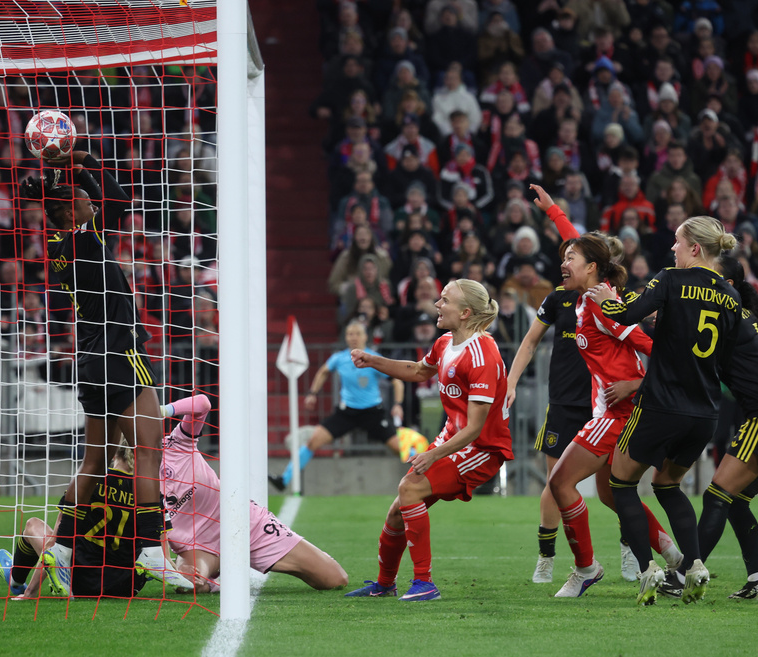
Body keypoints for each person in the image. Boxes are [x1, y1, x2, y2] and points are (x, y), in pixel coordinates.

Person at [18, 148, 190, 595]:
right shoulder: (84, 239)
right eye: (83, 201)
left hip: (91, 358)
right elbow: (117, 202)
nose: (92, 205)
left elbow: (106, 204)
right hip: (121, 352)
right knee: (149, 451)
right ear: (73, 208)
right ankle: (153, 552)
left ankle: (60, 550)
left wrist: (72, 175)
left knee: (94, 462)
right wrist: (86, 165)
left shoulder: (61, 244)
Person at [513, 187, 681, 597]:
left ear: (592, 268)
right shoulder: (586, 295)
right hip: (607, 412)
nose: (562, 262)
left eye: (570, 259)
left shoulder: (605, 306)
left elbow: (655, 348)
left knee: (561, 483)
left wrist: (638, 383)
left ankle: (587, 567)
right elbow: (579, 245)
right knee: (610, 492)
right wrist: (553, 211)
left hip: (616, 414)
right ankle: (673, 555)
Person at [588, 215, 740, 605]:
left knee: (620, 482)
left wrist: (605, 298)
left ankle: (646, 569)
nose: (672, 248)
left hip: (661, 405)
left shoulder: (672, 278)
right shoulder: (730, 294)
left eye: (677, 241)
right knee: (666, 484)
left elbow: (625, 315)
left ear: (694, 248)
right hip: (706, 410)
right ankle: (695, 565)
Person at [344, 279, 513, 601]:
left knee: (409, 489)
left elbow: (476, 429)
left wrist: (434, 456)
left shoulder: (482, 356)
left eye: (445, 300)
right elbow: (420, 371)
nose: (437, 304)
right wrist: (374, 360)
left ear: (465, 312)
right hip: (454, 438)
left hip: (482, 448)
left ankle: (425, 583)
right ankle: (384, 585)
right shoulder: (446, 342)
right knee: (399, 509)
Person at [667, 254, 758, 602]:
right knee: (737, 502)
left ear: (724, 283)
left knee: (716, 495)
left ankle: (685, 575)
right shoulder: (740, 314)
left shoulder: (725, 314)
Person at [162, 394, 348, 591]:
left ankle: (228, 565)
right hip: (198, 545)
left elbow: (202, 404)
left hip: (243, 521)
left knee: (334, 579)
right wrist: (166, 563)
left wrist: (163, 410)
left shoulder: (176, 443)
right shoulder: (135, 482)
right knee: (187, 585)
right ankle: (213, 583)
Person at [0, 444, 151, 598]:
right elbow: (157, 551)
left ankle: (15, 580)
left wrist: (30, 593)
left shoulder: (88, 481)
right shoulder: (148, 491)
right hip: (126, 587)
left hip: (78, 582)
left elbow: (53, 543)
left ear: (114, 452)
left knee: (33, 524)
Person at [268, 321, 403, 491]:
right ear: (346, 337)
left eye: (357, 334)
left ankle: (429, 470)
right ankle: (284, 479)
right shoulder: (339, 358)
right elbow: (323, 371)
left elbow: (397, 381)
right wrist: (312, 393)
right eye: (350, 334)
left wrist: (398, 404)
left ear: (365, 337)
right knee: (312, 442)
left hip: (372, 413)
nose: (353, 337)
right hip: (346, 413)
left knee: (399, 448)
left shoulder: (373, 359)